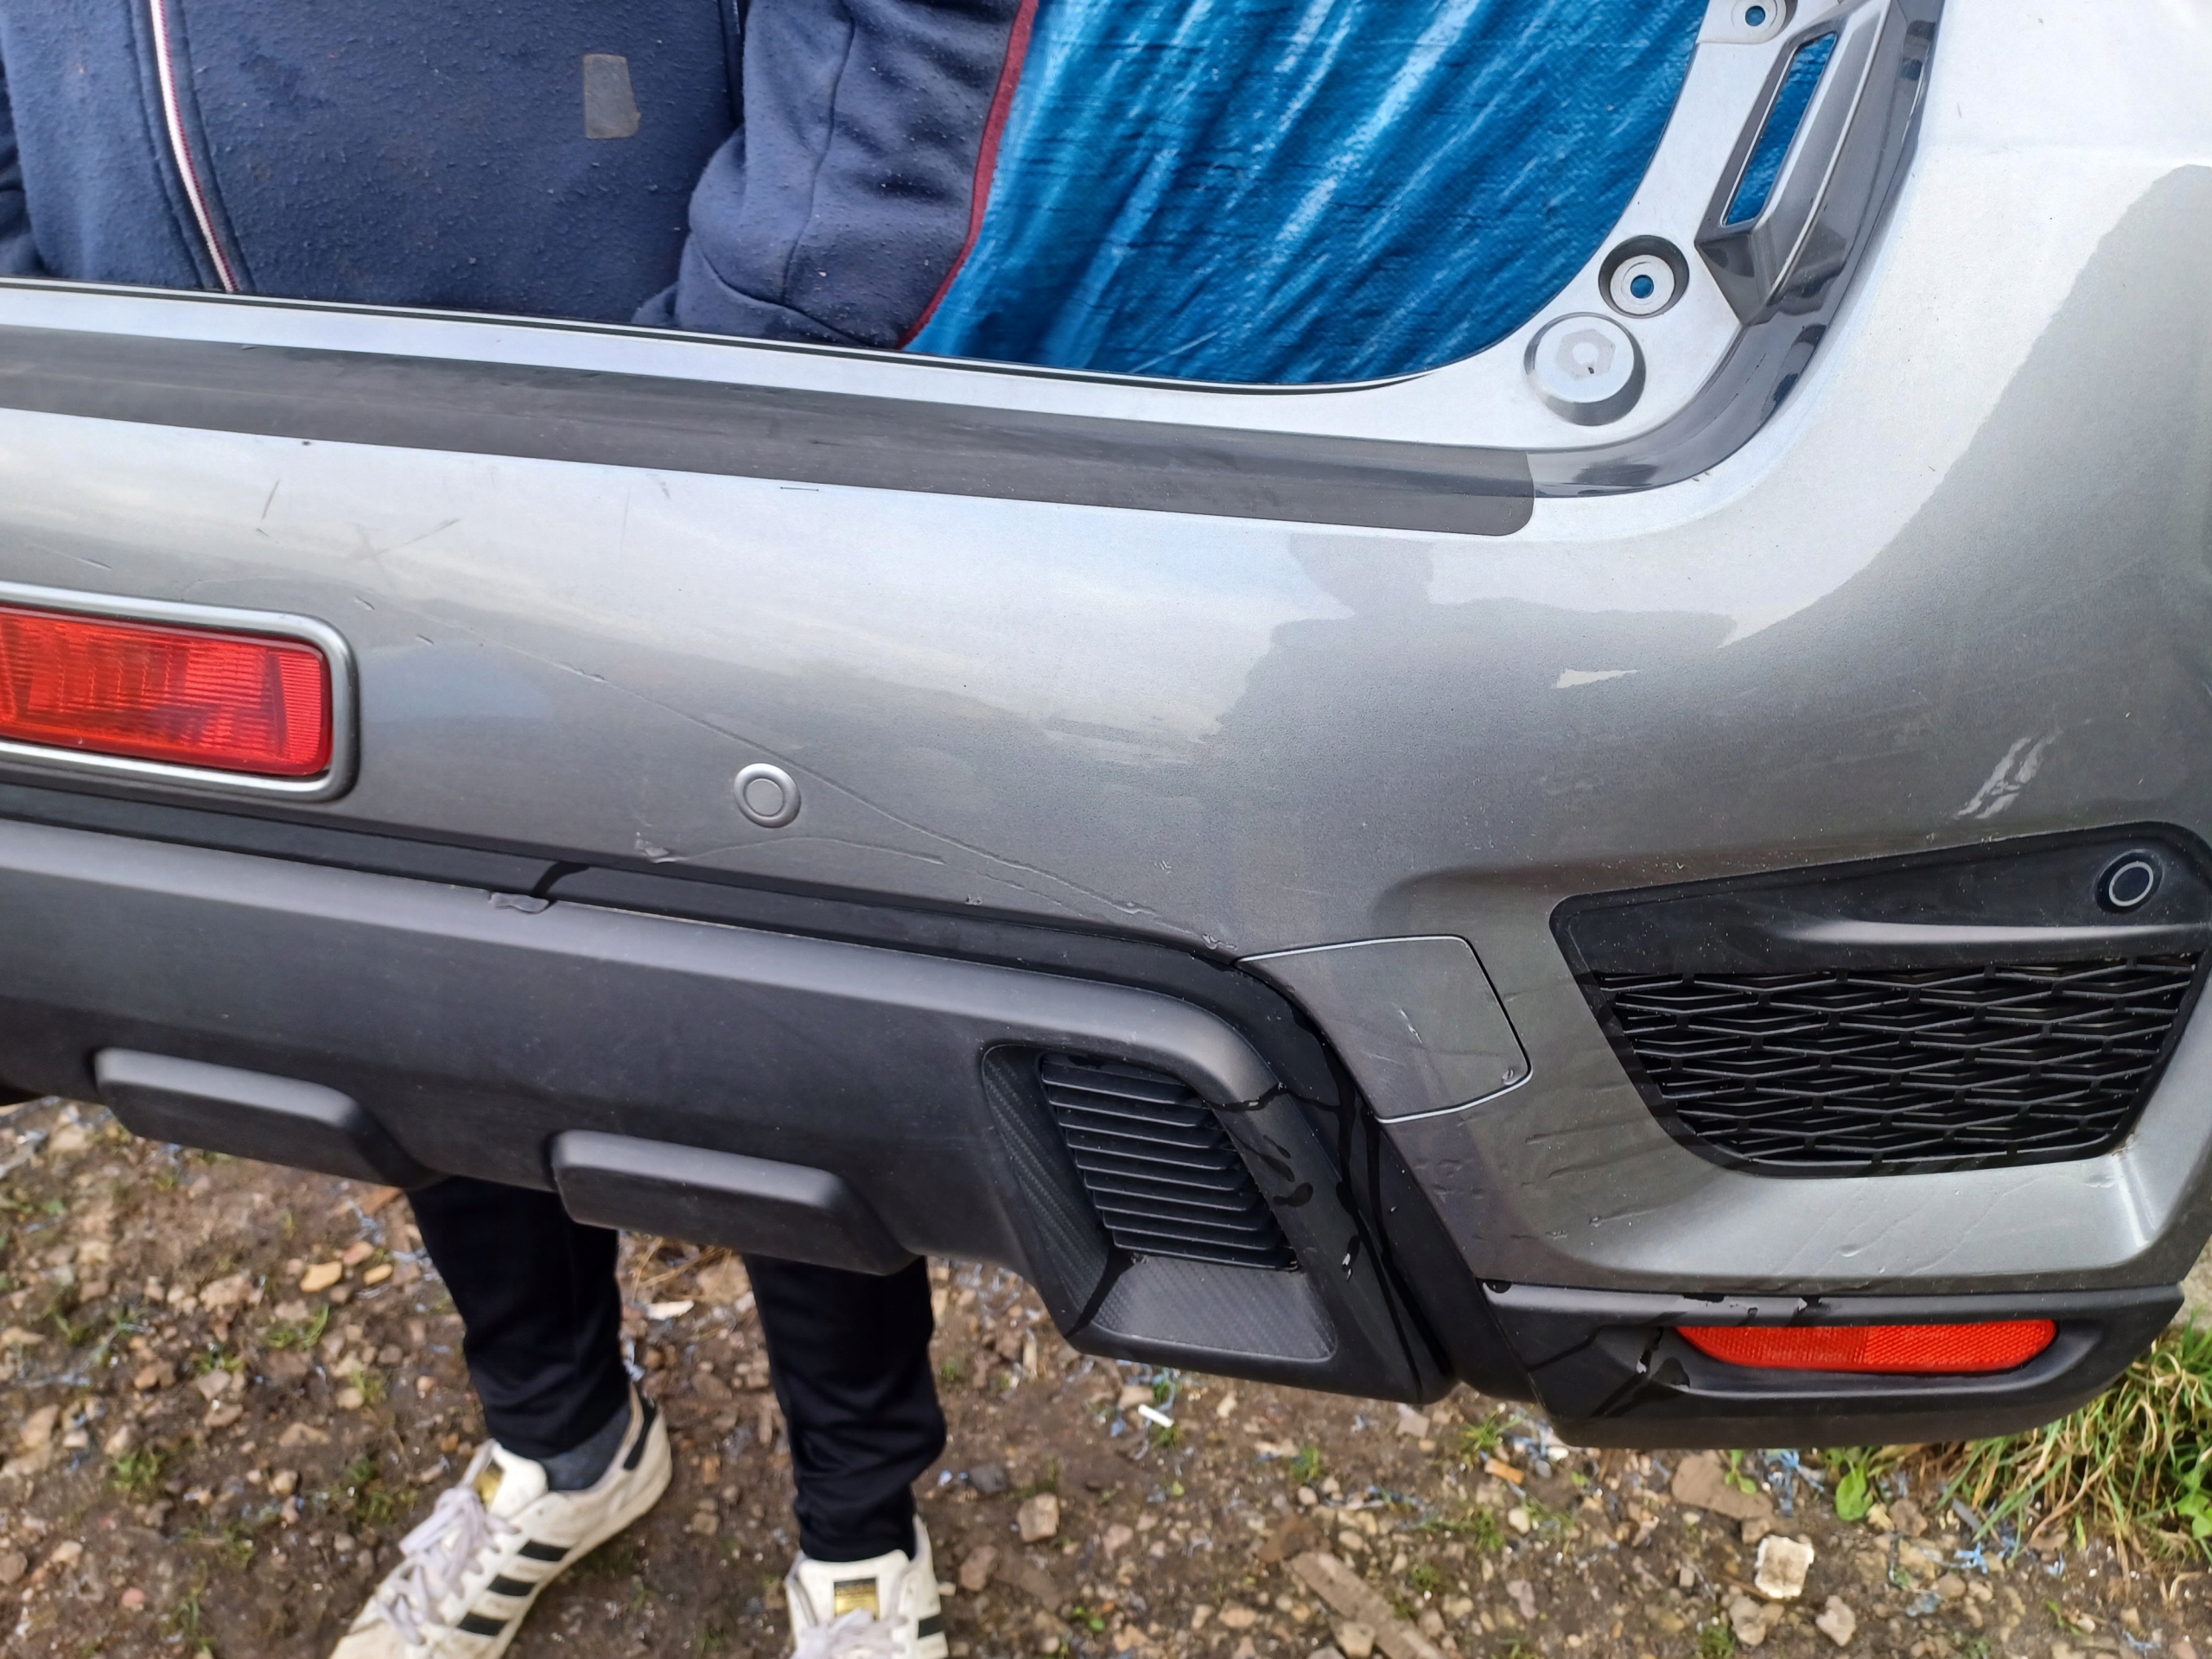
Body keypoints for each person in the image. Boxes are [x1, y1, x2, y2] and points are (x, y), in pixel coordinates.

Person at [0, 4, 1036, 1655]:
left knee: (762, 1049)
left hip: (633, 491)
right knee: (402, 1017)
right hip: (205, 515)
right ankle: (566, 1442)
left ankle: (859, 1530)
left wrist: (725, 385)